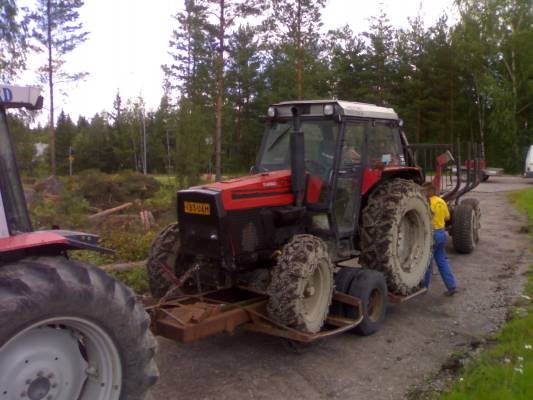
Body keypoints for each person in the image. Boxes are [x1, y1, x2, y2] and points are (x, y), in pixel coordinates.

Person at [422, 182, 458, 296]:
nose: (423, 193)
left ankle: (424, 287)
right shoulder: (441, 201)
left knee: (427, 262)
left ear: (429, 191)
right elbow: (447, 217)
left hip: (431, 234)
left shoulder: (427, 203)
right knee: (441, 260)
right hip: (441, 233)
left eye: (424, 191)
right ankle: (451, 286)